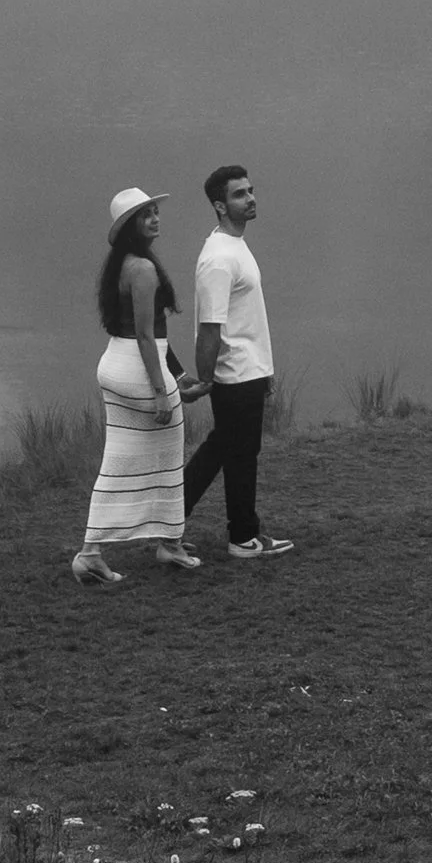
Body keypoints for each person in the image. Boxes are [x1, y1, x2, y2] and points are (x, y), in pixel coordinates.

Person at [72, 187, 210, 585]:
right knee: (168, 458)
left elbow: (144, 335)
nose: (155, 218)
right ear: (131, 226)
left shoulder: (121, 266)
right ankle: (169, 543)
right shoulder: (144, 270)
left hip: (115, 364)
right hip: (138, 369)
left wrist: (178, 377)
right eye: (146, 214)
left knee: (118, 462)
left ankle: (93, 552)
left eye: (154, 211)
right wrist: (160, 391)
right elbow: (148, 338)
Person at [182, 163, 293, 560]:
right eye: (239, 194)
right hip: (233, 376)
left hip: (250, 371)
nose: (250, 198)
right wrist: (207, 379)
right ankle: (242, 537)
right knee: (236, 454)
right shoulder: (218, 259)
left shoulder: (234, 245)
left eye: (250, 191)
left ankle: (178, 523)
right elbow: (210, 329)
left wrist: (265, 370)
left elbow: (247, 319)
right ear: (218, 205)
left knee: (227, 451)